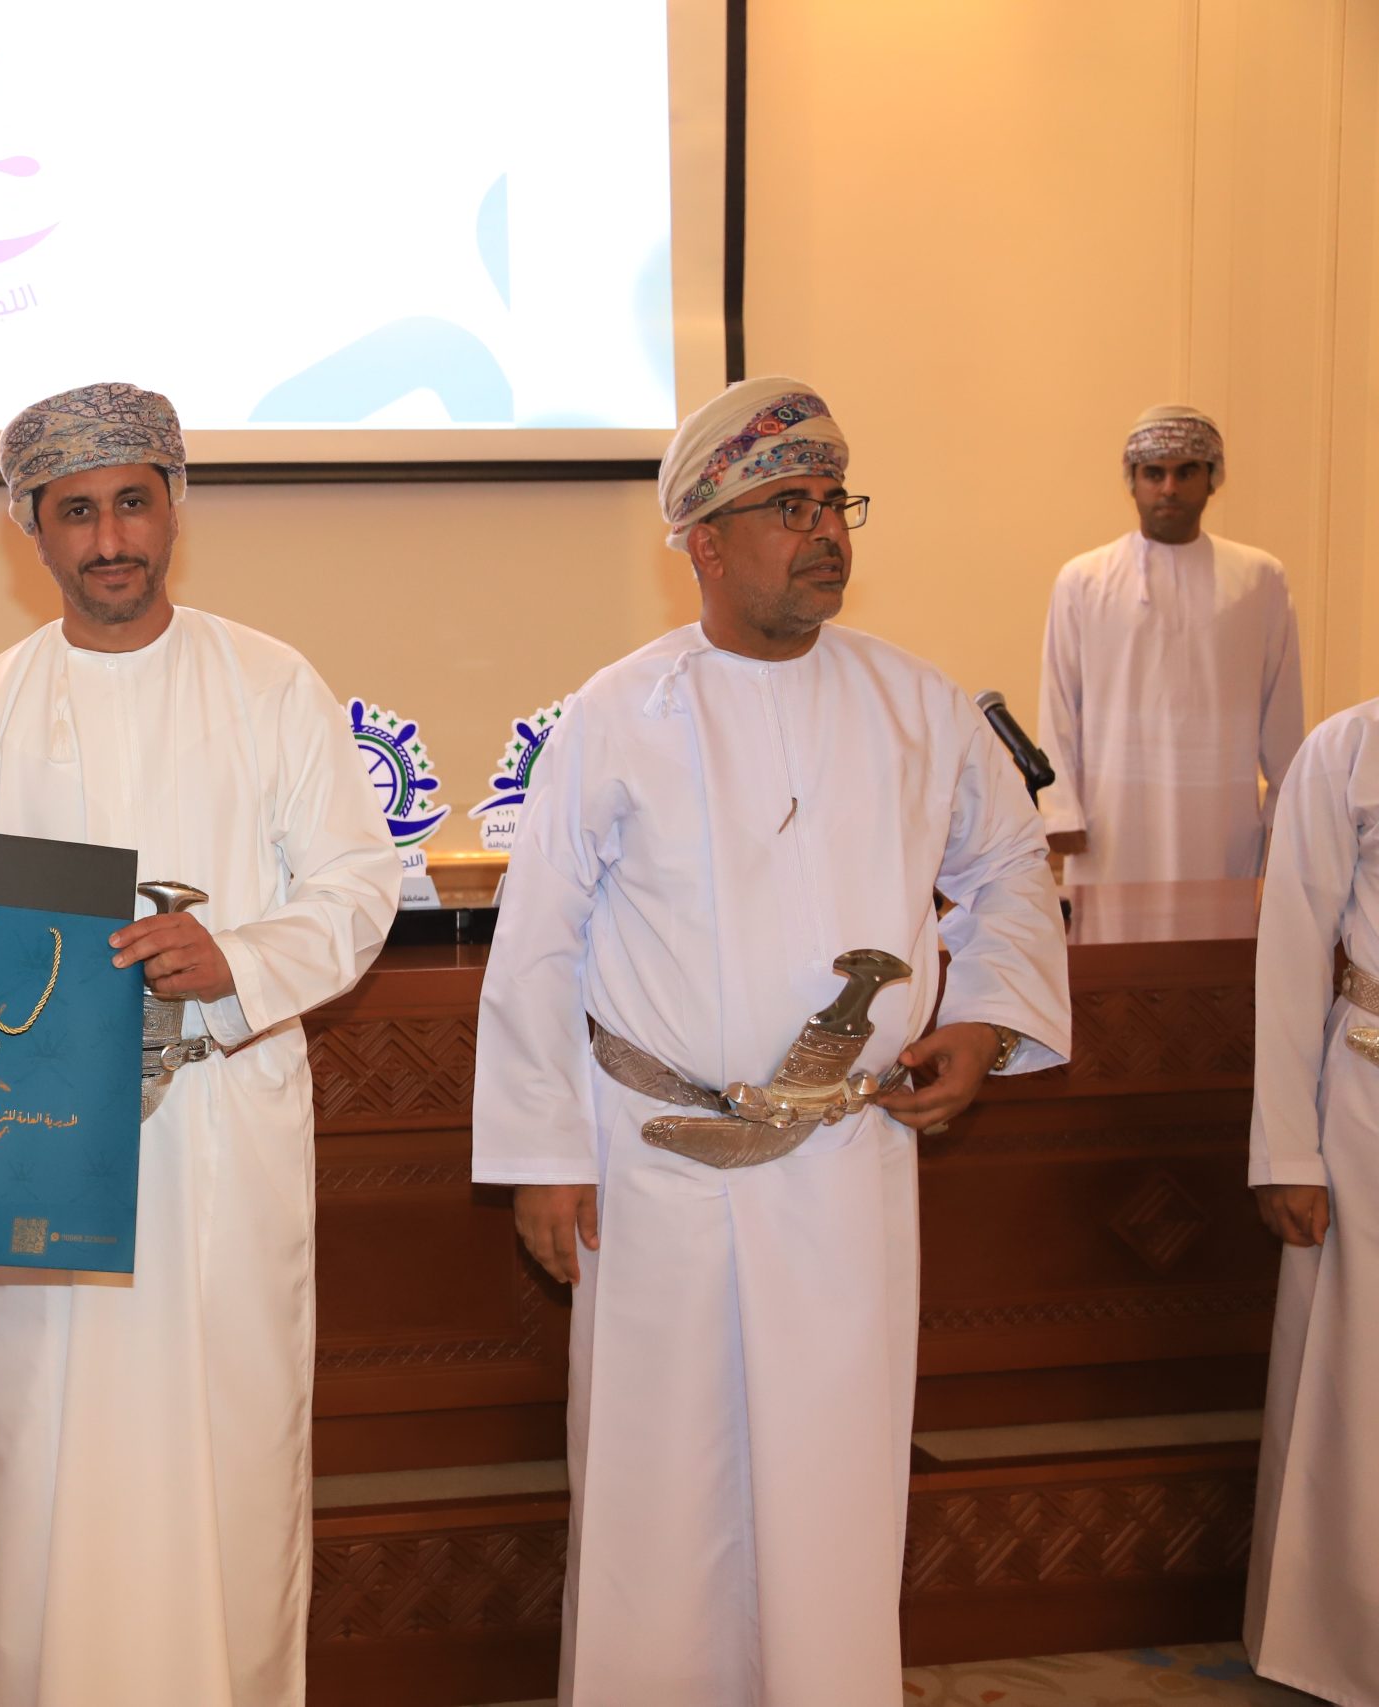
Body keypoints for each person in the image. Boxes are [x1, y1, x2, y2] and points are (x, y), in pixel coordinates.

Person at [472, 377, 1073, 1706]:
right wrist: (541, 1155)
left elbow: (1009, 865)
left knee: (832, 1476)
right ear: (703, 540)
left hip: (845, 1168)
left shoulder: (919, 707)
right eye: (788, 508)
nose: (826, 533)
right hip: (654, 1164)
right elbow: (539, 941)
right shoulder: (617, 713)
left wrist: (983, 1019)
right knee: (660, 1486)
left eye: (833, 503)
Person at [0, 382, 401, 1707]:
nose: (109, 536)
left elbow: (357, 883)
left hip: (221, 1130)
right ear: (32, 531)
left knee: (227, 1459)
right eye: (76, 511)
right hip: (29, 1153)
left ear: (175, 506)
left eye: (133, 501)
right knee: (41, 1463)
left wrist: (240, 959)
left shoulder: (270, 683)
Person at [1243, 695, 1379, 1705]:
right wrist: (1287, 1150)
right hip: (1370, 1105)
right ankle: (1346, 1644)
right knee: (1359, 1384)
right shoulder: (1348, 750)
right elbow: (1291, 949)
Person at [1037, 405, 1303, 882]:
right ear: (1132, 481)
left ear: (1212, 479)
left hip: (1221, 819)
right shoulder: (1084, 579)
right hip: (1111, 820)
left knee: (1220, 926)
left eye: (1186, 472)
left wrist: (1283, 813)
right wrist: (1059, 811)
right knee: (1113, 928)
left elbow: (1282, 708)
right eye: (1154, 473)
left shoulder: (1258, 578)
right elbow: (1058, 703)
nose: (1169, 488)